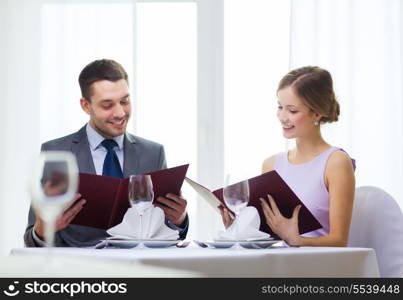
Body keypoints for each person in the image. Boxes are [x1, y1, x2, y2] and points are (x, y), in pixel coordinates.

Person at [24, 59, 189, 247]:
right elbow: (32, 240)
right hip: (81, 270)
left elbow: (166, 231)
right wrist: (44, 229)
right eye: (107, 105)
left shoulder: (153, 153)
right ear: (86, 105)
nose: (120, 113)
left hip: (140, 268)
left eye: (125, 101)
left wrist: (179, 219)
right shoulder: (55, 153)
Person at [220, 66, 355, 247]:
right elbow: (267, 234)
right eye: (280, 107)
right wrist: (238, 230)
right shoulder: (271, 164)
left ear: (317, 112)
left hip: (319, 266)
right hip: (280, 263)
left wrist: (298, 240)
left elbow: (339, 240)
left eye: (292, 111)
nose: (282, 117)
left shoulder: (336, 162)